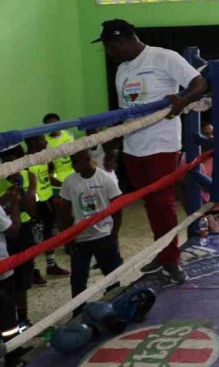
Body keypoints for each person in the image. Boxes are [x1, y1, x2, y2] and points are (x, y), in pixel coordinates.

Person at [93, 18, 208, 284]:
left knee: (162, 201)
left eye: (108, 46)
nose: (107, 52)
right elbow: (125, 111)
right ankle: (163, 252)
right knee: (150, 202)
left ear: (120, 41)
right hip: (133, 146)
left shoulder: (164, 57)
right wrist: (115, 147)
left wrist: (182, 100)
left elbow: (199, 83)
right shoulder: (122, 70)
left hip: (161, 144)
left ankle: (171, 260)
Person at [57, 150, 123, 312]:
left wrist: (114, 233)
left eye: (76, 161)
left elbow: (118, 207)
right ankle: (78, 311)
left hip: (103, 235)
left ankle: (116, 305)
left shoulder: (105, 178)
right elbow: (64, 211)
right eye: (72, 162)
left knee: (111, 274)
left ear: (87, 160)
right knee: (78, 278)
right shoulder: (69, 181)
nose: (73, 165)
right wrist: (67, 237)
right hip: (80, 237)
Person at [0, 146, 38, 330]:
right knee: (7, 280)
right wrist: (10, 203)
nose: (11, 167)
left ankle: (23, 319)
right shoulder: (0, 181)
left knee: (22, 278)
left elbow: (31, 210)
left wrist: (30, 189)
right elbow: (3, 213)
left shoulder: (26, 177)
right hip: (6, 234)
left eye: (14, 162)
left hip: (23, 231)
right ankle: (9, 320)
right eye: (7, 162)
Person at [25, 135, 70, 284]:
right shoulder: (25, 163)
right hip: (35, 206)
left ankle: (51, 265)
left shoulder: (42, 157)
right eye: (42, 140)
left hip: (48, 201)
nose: (45, 142)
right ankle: (32, 271)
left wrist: (63, 185)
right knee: (33, 240)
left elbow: (46, 178)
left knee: (49, 234)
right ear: (33, 142)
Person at [0, 170, 22, 342]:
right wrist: (14, 205)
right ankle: (14, 349)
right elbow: (13, 230)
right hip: (2, 266)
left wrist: (4, 200)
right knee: (6, 310)